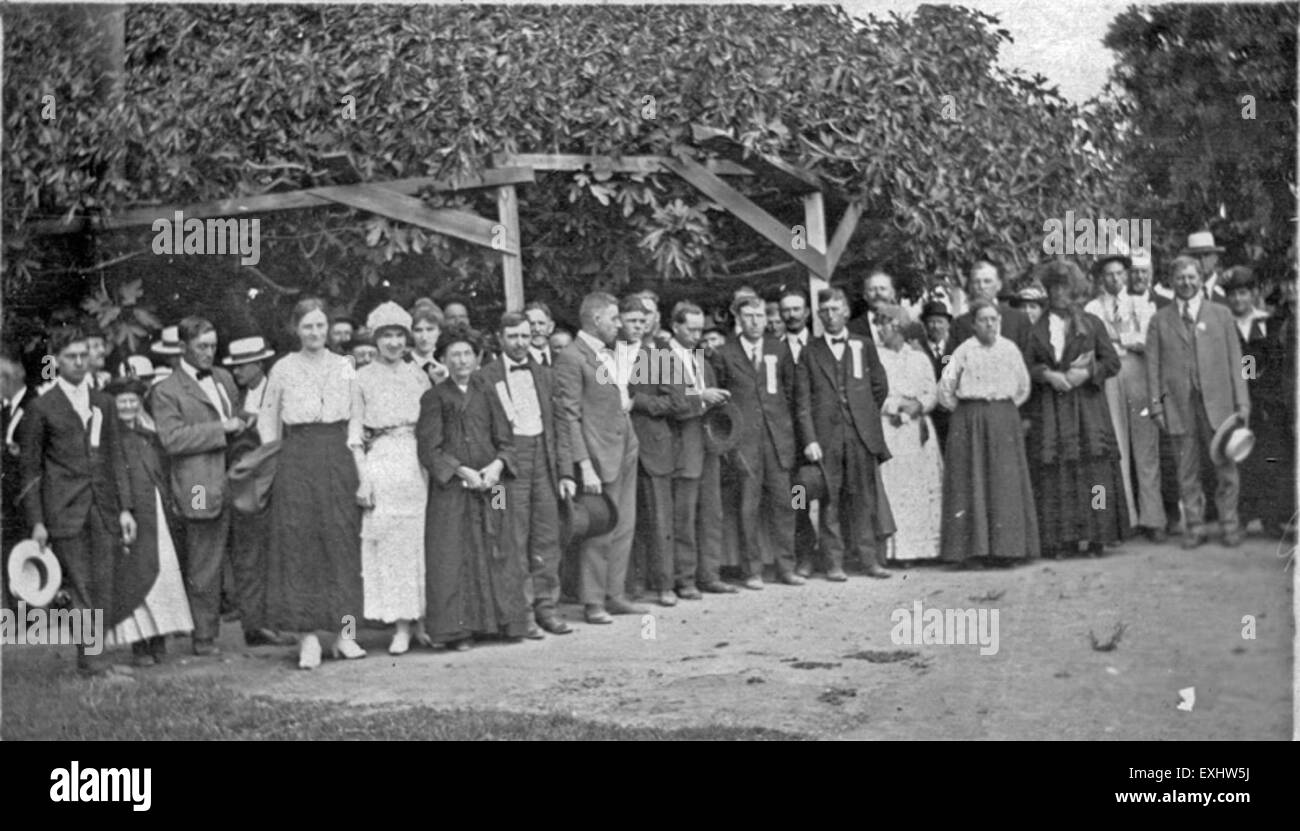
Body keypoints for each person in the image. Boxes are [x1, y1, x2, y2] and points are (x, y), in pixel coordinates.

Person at [19, 327, 136, 674]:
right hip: (64, 511)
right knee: (82, 587)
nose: (79, 362)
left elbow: (117, 457)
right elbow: (29, 471)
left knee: (104, 584)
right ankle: (92, 663)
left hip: (103, 509)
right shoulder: (41, 407)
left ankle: (96, 657)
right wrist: (37, 522)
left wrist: (126, 508)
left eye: (84, 355)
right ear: (55, 362)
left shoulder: (104, 403)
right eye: (71, 357)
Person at [258, 297, 367, 668]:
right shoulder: (283, 369)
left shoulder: (345, 366)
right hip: (298, 459)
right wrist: (274, 463)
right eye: (308, 326)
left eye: (321, 326)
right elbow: (268, 420)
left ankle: (344, 635)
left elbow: (356, 417)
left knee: (342, 543)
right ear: (296, 329)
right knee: (300, 546)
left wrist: (357, 466)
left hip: (338, 456)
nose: (315, 333)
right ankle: (307, 640)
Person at [417, 325, 529, 648]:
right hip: (455, 488)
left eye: (467, 353)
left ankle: (504, 624)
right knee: (455, 555)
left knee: (500, 548)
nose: (462, 360)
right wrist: (462, 472)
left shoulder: (489, 392)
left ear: (478, 357)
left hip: (493, 487)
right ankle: (459, 631)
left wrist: (496, 467)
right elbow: (430, 449)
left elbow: (506, 441)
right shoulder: (434, 398)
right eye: (455, 355)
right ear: (443, 359)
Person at [151, 316, 243, 656]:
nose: (208, 353)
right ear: (182, 348)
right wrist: (222, 428)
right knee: (204, 558)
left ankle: (257, 628)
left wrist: (240, 423)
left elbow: (238, 416)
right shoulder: (166, 390)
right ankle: (203, 636)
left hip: (233, 476)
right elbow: (172, 440)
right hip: (198, 485)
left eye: (213, 347)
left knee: (243, 556)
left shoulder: (223, 378)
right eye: (201, 347)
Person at [1023, 262, 1128, 558]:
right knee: (1060, 474)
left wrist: (1088, 372)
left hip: (1088, 409)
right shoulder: (1037, 329)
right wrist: (1046, 375)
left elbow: (1112, 362)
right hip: (1053, 411)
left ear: (1075, 291)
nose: (1059, 294)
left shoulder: (1091, 323)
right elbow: (1026, 366)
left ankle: (1097, 536)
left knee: (1093, 472)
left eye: (1065, 287)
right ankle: (1064, 539)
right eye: (1054, 288)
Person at [553, 292, 646, 624]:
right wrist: (584, 465)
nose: (619, 324)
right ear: (595, 320)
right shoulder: (570, 357)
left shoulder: (608, 353)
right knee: (600, 527)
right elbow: (569, 417)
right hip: (598, 454)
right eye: (614, 318)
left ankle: (615, 593)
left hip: (625, 445)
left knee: (624, 525)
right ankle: (593, 602)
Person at [1147, 256, 1251, 548]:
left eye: (1192, 277)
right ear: (1171, 281)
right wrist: (1156, 406)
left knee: (1225, 465)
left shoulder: (1221, 315)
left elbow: (1238, 362)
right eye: (1181, 278)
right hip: (1179, 405)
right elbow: (1152, 368)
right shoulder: (1159, 320)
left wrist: (1242, 403)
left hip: (1219, 403)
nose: (1187, 283)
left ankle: (1230, 524)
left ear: (1200, 278)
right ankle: (1194, 525)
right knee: (1186, 468)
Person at [794, 287, 895, 580]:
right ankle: (833, 563)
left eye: (835, 309)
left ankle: (869, 560)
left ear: (847, 312)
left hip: (860, 435)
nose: (830, 315)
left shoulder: (864, 345)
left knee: (864, 499)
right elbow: (802, 401)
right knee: (831, 501)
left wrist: (863, 415)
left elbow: (879, 386)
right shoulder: (810, 350)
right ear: (818, 316)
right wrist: (811, 439)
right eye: (824, 311)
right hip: (826, 439)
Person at [481, 311, 571, 636]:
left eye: (524, 336)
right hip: (508, 465)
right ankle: (523, 614)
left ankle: (548, 607)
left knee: (547, 536)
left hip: (543, 461)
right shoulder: (486, 377)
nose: (520, 343)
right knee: (513, 539)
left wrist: (565, 472)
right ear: (500, 338)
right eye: (513, 337)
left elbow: (560, 424)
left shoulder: (545, 374)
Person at [709, 295, 803, 586]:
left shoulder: (779, 348)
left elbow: (791, 393)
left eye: (760, 316)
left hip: (777, 440)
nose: (755, 322)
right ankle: (752, 571)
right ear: (738, 318)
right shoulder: (724, 352)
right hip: (744, 443)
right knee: (748, 508)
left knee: (785, 505)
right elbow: (719, 402)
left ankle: (787, 567)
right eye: (748, 316)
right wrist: (729, 442)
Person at [937, 300, 1038, 566]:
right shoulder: (963, 351)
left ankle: (1008, 551)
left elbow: (1023, 387)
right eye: (984, 320)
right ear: (973, 324)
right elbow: (945, 390)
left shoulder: (1010, 349)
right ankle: (973, 551)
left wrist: (1001, 410)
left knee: (1005, 483)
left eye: (994, 319)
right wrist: (969, 412)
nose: (990, 324)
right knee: (970, 481)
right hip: (969, 419)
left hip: (1003, 418)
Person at [356, 302, 433, 654]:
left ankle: (421, 620)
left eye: (399, 335)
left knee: (419, 541)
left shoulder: (418, 374)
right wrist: (364, 479)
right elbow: (355, 434)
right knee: (391, 545)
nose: (393, 343)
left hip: (416, 462)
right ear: (376, 339)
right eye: (386, 335)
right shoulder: (361, 377)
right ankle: (399, 625)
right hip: (382, 461)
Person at [103, 376, 193, 667]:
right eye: (122, 402)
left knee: (164, 573)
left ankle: (159, 638)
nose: (128, 406)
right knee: (136, 577)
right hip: (132, 514)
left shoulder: (148, 433)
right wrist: (123, 510)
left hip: (157, 511)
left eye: (132, 401)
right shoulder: (110, 439)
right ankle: (140, 644)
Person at [1085, 254, 1167, 542]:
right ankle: (1126, 517)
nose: (1115, 280)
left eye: (1120, 274)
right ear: (1101, 279)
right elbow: (1094, 345)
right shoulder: (1093, 308)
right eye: (1109, 275)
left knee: (1146, 444)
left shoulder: (1142, 304)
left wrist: (1123, 339)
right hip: (1109, 372)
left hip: (1137, 370)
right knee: (1117, 444)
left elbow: (1149, 342)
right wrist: (1122, 339)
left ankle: (1153, 517)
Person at [219, 336, 292, 647]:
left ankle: (273, 620)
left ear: (259, 364)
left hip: (277, 481)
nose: (237, 373)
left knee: (274, 554)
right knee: (248, 556)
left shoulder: (277, 394)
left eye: (243, 366)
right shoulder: (234, 400)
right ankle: (254, 624)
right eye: (234, 367)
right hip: (247, 486)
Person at [666, 302, 737, 596]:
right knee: (684, 515)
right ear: (675, 326)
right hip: (681, 444)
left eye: (699, 329)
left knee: (712, 511)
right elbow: (669, 402)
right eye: (690, 329)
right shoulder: (658, 358)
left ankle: (709, 574)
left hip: (708, 444)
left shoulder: (702, 360)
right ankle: (684, 579)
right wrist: (702, 396)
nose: (697, 335)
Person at [1222, 266, 1291, 536]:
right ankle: (1241, 515)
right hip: (1236, 402)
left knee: (1269, 456)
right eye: (1233, 295)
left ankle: (1270, 517)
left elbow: (1266, 365)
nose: (1238, 300)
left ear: (1252, 294)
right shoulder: (1224, 324)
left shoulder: (1267, 323)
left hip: (1266, 403)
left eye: (1243, 293)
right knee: (1239, 458)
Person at [623, 296, 681, 606]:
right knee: (628, 519)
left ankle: (665, 585)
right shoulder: (610, 354)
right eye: (631, 320)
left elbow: (676, 402)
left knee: (660, 521)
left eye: (642, 321)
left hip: (654, 447)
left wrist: (639, 402)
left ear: (651, 323)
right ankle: (634, 584)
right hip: (619, 450)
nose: (637, 326)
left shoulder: (660, 354)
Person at [874, 305, 944, 562]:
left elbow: (931, 391)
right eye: (878, 324)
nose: (880, 330)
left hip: (917, 431)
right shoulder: (876, 357)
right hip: (890, 429)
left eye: (884, 324)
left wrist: (919, 405)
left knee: (917, 489)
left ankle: (921, 550)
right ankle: (895, 551)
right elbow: (870, 393)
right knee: (895, 489)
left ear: (897, 326)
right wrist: (893, 406)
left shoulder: (919, 357)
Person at [950, 260, 1032, 354]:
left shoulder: (1019, 320)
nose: (982, 286)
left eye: (987, 281)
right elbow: (948, 360)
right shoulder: (959, 325)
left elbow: (1030, 359)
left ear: (999, 285)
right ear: (971, 287)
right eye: (976, 282)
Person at [849, 269, 925, 346]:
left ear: (892, 293)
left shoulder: (912, 329)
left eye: (883, 289)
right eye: (872, 289)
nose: (878, 293)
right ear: (865, 295)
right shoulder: (851, 329)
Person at [408, 302, 449, 385]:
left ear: (439, 331)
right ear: (411, 333)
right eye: (418, 330)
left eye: (430, 329)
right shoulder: (400, 365)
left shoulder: (446, 368)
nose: (424, 337)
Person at [1180, 231, 1227, 303]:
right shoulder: (1183, 289)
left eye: (1206, 255)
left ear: (1215, 258)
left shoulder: (1226, 286)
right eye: (1196, 256)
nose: (1202, 260)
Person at [778, 288, 812, 362]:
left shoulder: (822, 345)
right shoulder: (774, 348)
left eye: (796, 309)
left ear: (806, 312)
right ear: (780, 314)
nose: (791, 315)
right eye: (786, 310)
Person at [523, 301, 557, 367]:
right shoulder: (518, 361)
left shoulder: (562, 360)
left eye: (541, 323)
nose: (537, 329)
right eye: (531, 324)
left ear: (551, 327)